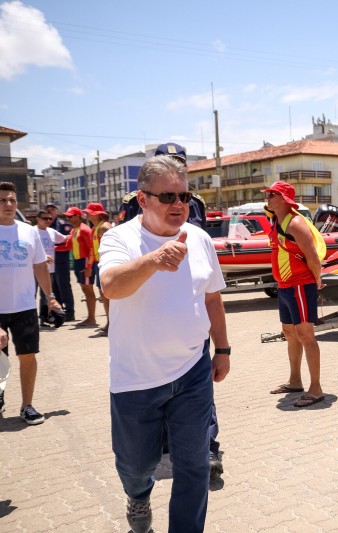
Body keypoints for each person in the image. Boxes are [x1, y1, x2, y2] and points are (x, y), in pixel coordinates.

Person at [99, 155, 230, 533]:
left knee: (194, 464)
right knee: (137, 465)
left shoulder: (200, 237)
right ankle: (138, 499)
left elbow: (211, 298)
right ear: (143, 200)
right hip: (136, 378)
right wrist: (155, 260)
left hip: (192, 372)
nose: (178, 205)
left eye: (184, 195)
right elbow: (111, 286)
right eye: (168, 196)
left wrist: (222, 349)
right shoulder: (119, 238)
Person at [0, 182, 62, 425]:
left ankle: (27, 406)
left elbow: (39, 266)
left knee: (28, 356)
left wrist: (50, 297)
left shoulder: (29, 231)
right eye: (2, 200)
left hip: (24, 307)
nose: (8, 204)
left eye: (12, 200)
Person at [264, 181, 325, 408]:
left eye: (273, 194)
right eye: (268, 194)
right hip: (285, 285)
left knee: (305, 333)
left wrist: (317, 281)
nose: (268, 197)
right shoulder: (276, 220)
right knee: (289, 331)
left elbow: (312, 257)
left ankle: (316, 389)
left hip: (300, 284)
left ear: (284, 199)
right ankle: (295, 381)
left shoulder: (296, 223)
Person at [64, 206, 98, 328]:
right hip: (78, 262)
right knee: (85, 289)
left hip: (85, 261)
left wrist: (89, 266)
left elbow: (92, 248)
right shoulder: (74, 230)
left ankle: (91, 318)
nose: (68, 218)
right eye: (67, 216)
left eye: (70, 216)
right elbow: (67, 247)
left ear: (78, 216)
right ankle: (90, 317)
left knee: (88, 290)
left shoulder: (84, 229)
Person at [34, 210, 66, 327]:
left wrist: (77, 231)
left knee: (46, 295)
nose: (48, 221)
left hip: (49, 270)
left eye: (50, 219)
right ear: (38, 219)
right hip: (33, 270)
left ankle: (44, 318)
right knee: (31, 294)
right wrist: (42, 257)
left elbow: (64, 238)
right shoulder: (32, 231)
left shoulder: (52, 231)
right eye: (45, 218)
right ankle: (31, 319)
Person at [83, 203, 112, 334]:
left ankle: (112, 323)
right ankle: (110, 322)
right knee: (103, 294)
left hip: (106, 263)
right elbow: (92, 249)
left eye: (89, 212)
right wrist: (90, 266)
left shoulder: (104, 226)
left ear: (96, 214)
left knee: (107, 295)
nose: (87, 215)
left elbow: (113, 238)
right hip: (98, 263)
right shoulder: (95, 228)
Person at [46, 203, 74, 321]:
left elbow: (69, 241)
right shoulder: (44, 226)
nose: (50, 212)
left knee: (64, 286)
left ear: (56, 211)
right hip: (49, 263)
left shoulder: (63, 225)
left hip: (61, 261)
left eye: (52, 210)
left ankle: (69, 312)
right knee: (53, 288)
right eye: (48, 211)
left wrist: (55, 248)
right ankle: (58, 312)